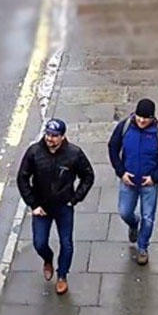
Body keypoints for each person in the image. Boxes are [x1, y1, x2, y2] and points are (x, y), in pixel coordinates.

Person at [17, 118, 95, 294]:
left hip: (64, 207)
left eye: (54, 135)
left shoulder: (74, 154)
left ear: (62, 136)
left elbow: (88, 176)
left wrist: (75, 199)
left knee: (66, 244)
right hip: (42, 207)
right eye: (48, 134)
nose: (49, 138)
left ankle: (62, 275)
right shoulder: (34, 152)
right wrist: (33, 204)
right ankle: (48, 258)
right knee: (39, 243)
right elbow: (22, 178)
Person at [108, 98, 158, 265]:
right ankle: (133, 224)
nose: (142, 121)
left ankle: (143, 246)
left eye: (146, 118)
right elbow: (113, 147)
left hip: (149, 183)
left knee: (148, 218)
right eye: (139, 117)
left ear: (153, 117)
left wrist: (155, 177)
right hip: (128, 181)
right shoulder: (124, 127)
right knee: (125, 212)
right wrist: (121, 172)